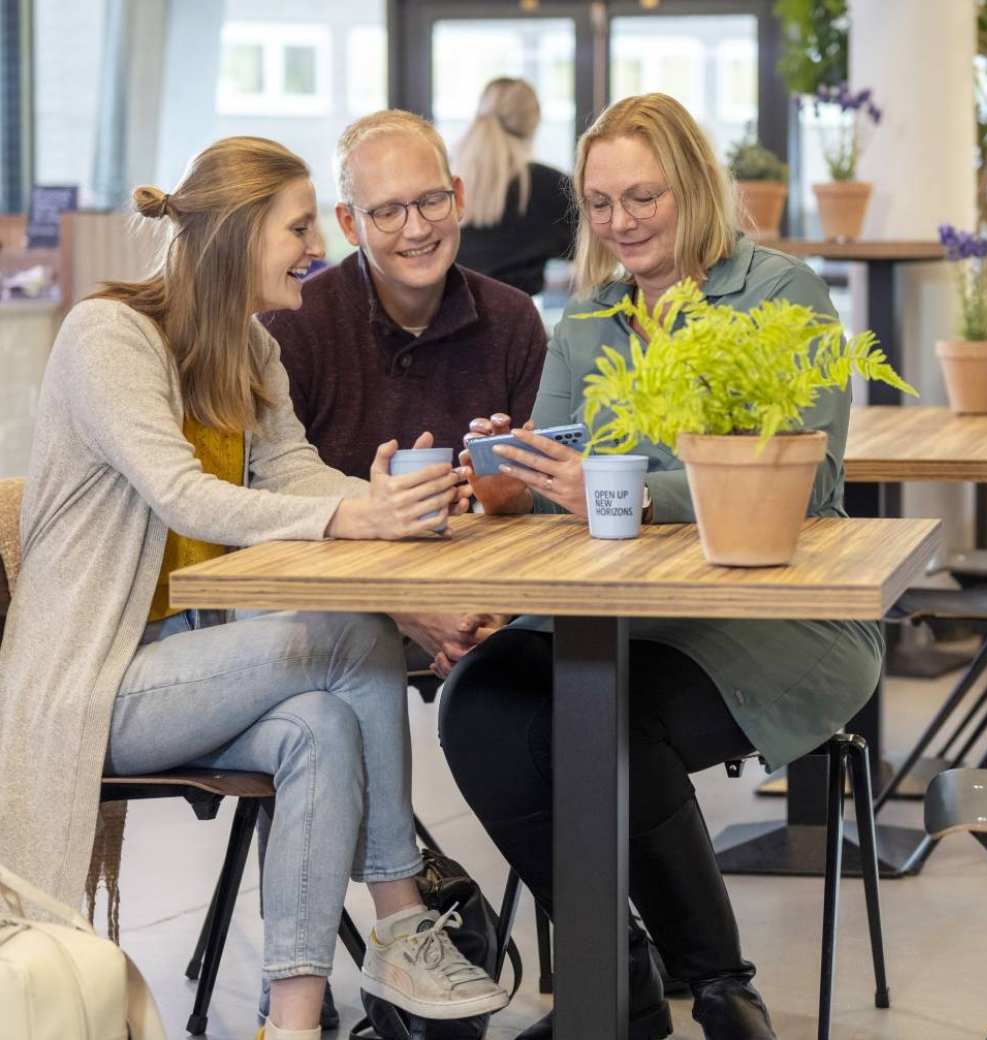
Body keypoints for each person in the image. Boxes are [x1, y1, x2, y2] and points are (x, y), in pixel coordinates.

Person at [0, 136, 509, 1040]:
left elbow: (295, 474)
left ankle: (294, 1021)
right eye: (300, 225)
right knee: (354, 634)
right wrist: (356, 519)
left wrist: (393, 501)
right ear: (238, 235)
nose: (317, 247)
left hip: (188, 662)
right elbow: (179, 490)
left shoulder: (247, 350)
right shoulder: (108, 335)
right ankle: (399, 912)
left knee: (316, 727)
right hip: (90, 678)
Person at [439, 94, 884, 1040]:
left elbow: (806, 481)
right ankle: (621, 991)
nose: (621, 222)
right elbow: (561, 474)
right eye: (600, 204)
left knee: (606, 716)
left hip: (775, 615)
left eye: (644, 196)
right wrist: (514, 478)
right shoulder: (588, 317)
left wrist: (634, 491)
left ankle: (721, 986)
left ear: (694, 188)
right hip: (618, 610)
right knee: (480, 705)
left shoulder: (779, 294)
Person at [262, 109, 546, 676]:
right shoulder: (294, 325)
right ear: (348, 223)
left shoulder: (514, 319)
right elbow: (276, 511)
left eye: (431, 201)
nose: (417, 229)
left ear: (459, 197)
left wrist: (510, 500)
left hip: (496, 598)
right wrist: (406, 605)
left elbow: (545, 508)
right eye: (388, 211)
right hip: (340, 607)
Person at [453, 77, 575, 296]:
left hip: (449, 317)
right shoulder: (552, 186)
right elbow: (593, 252)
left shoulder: (447, 179)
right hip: (518, 322)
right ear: (534, 122)